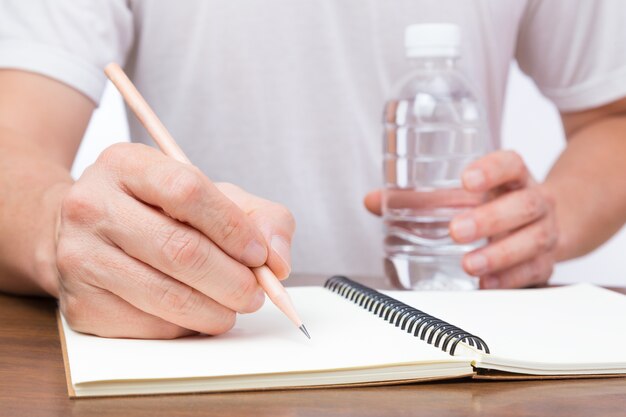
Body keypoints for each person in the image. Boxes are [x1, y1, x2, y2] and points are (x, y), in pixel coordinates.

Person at [0, 1, 625, 338]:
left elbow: (613, 117)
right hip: (206, 345)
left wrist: (552, 218)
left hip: (460, 324)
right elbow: (12, 145)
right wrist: (61, 235)